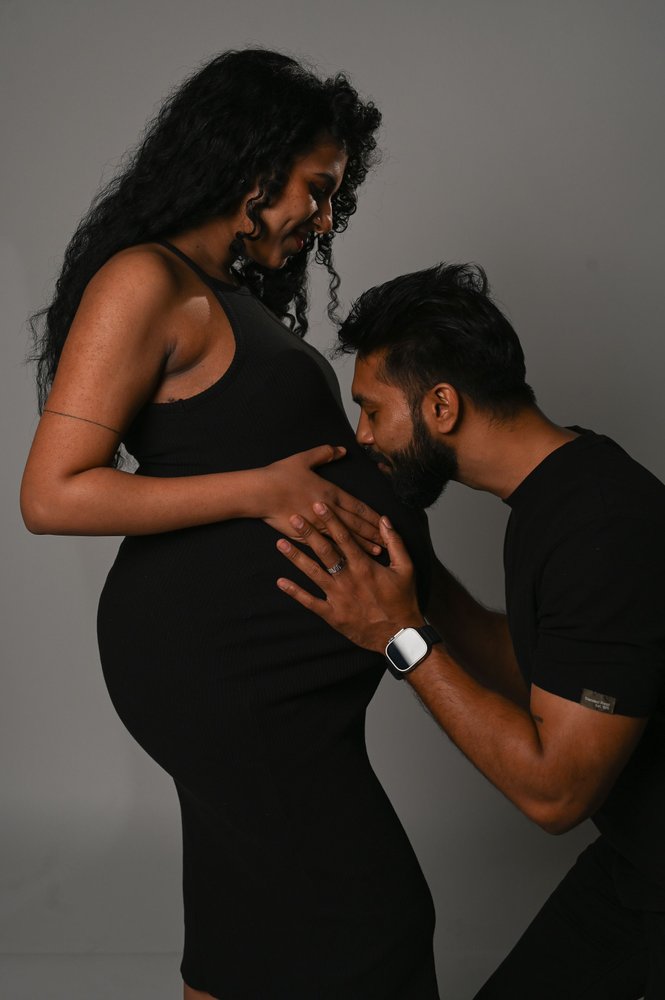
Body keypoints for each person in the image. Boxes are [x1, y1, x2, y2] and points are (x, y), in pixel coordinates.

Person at [20, 51, 440, 1000]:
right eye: (316, 190)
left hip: (267, 672)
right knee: (374, 920)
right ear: (254, 166)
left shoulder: (231, 297)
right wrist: (261, 492)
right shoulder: (144, 279)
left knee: (241, 925)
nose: (325, 219)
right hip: (220, 666)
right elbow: (51, 494)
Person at [276, 262, 665, 1000]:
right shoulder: (559, 490)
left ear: (442, 405)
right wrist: (418, 583)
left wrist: (398, 635)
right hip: (637, 863)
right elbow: (538, 671)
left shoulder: (602, 528)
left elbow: (556, 794)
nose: (362, 437)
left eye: (372, 410)